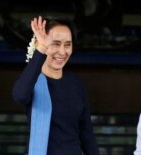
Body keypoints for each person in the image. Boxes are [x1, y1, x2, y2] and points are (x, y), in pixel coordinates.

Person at [12, 16, 100, 155]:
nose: (62, 51)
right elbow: (20, 96)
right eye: (55, 44)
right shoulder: (32, 80)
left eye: (67, 44)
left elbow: (86, 132)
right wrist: (41, 48)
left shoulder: (76, 83)